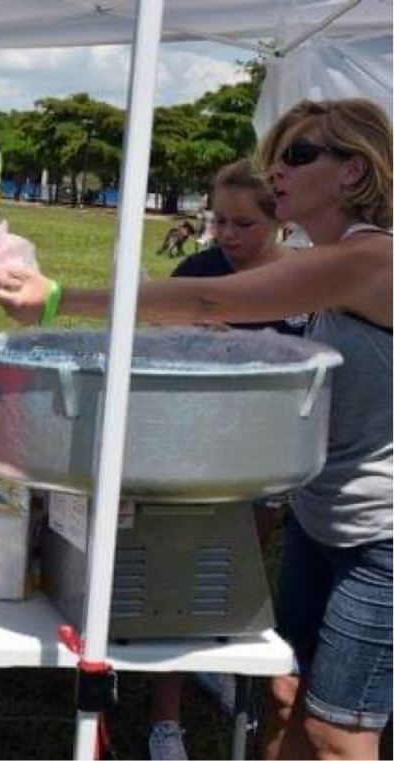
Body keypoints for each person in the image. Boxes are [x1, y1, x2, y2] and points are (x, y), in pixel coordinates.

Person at [0, 98, 391, 761]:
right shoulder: (330, 258)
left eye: (295, 155)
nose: (276, 172)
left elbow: (212, 300)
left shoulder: (369, 260)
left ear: (352, 172)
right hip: (321, 523)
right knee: (285, 699)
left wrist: (58, 299)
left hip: (380, 540)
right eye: (273, 156)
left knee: (339, 731)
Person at [146, 159, 309, 761]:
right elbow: (153, 345)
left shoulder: (307, 282)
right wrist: (187, 339)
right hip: (196, 461)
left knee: (241, 577)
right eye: (219, 221)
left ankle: (214, 664)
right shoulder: (197, 271)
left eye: (245, 224)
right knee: (181, 582)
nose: (228, 235)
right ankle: (165, 721)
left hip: (271, 465)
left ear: (281, 220)